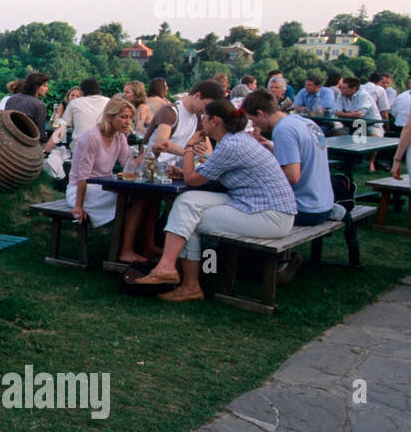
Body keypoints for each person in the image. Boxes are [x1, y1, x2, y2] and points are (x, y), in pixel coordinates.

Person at [136, 101, 296, 302]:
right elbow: (213, 175)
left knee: (188, 219)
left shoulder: (231, 145)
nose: (201, 121)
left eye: (204, 117)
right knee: (187, 200)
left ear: (215, 121)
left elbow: (192, 179)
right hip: (259, 204)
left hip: (270, 216)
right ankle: (169, 268)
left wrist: (190, 147)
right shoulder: (236, 140)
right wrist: (187, 168)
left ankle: (189, 284)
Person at [242, 90, 337, 225]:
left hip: (304, 209)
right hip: (324, 204)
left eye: (252, 120)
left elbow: (292, 177)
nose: (254, 125)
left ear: (260, 113)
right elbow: (303, 157)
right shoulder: (305, 122)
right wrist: (272, 148)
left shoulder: (283, 130)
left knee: (242, 202)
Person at [64, 96, 134, 229]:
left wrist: (152, 152)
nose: (128, 122)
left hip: (104, 186)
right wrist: (78, 206)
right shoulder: (92, 137)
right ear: (109, 117)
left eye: (130, 118)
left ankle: (128, 241)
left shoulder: (119, 136)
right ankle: (121, 242)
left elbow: (129, 165)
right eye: (124, 117)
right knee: (129, 197)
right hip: (82, 190)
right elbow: (83, 176)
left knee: (141, 197)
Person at [144, 79, 225, 166]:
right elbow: (162, 142)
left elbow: (206, 143)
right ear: (197, 95)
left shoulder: (198, 116)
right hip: (156, 165)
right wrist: (189, 152)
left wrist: (206, 155)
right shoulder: (170, 112)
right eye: (206, 105)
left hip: (177, 166)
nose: (206, 110)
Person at [60, 80, 110, 152]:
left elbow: (61, 128)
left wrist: (47, 150)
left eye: (77, 95)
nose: (74, 97)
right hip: (104, 147)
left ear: (82, 92)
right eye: (72, 95)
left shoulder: (74, 103)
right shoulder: (109, 101)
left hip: (80, 147)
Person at [4, 73, 51, 144]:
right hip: (26, 143)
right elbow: (41, 135)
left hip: (8, 139)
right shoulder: (39, 105)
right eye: (44, 86)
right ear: (36, 87)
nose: (47, 89)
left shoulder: (12, 98)